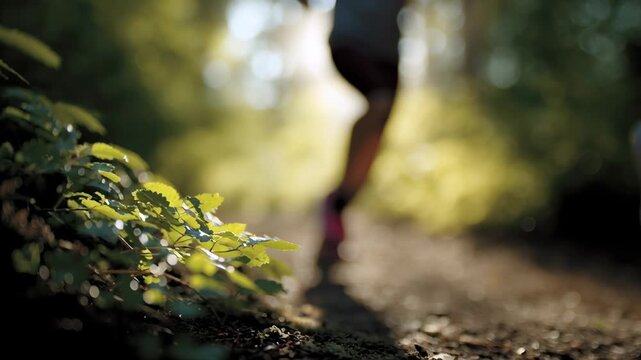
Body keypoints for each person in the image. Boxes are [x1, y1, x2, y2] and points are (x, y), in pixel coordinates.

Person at [299, 0, 406, 272]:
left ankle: (337, 206)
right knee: (379, 102)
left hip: (388, 50)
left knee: (379, 128)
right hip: (351, 39)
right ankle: (335, 204)